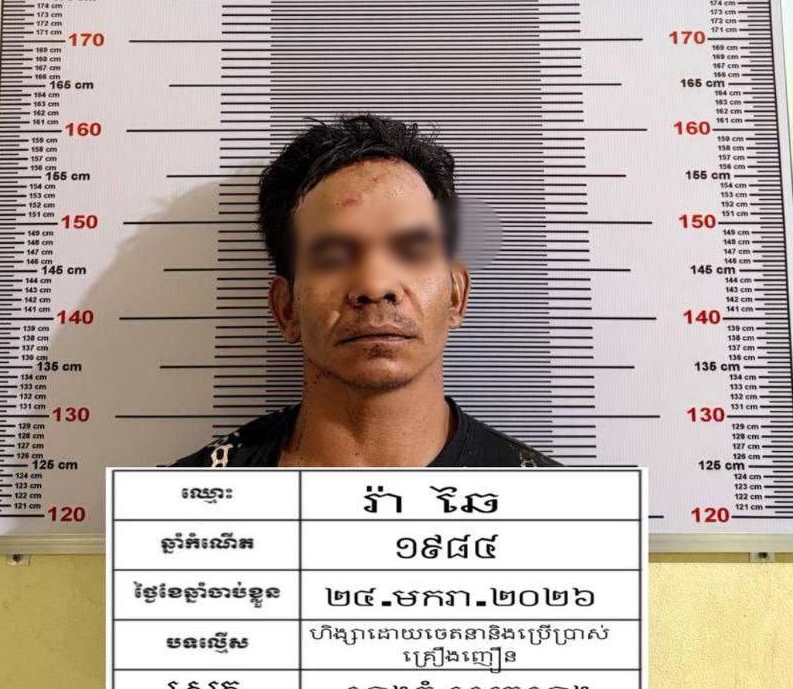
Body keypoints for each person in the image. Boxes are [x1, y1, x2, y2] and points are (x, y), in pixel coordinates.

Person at [171, 112, 559, 469]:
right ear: (286, 309)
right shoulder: (182, 501)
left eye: (412, 252)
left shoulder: (556, 506)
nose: (375, 286)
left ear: (456, 295)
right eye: (334, 257)